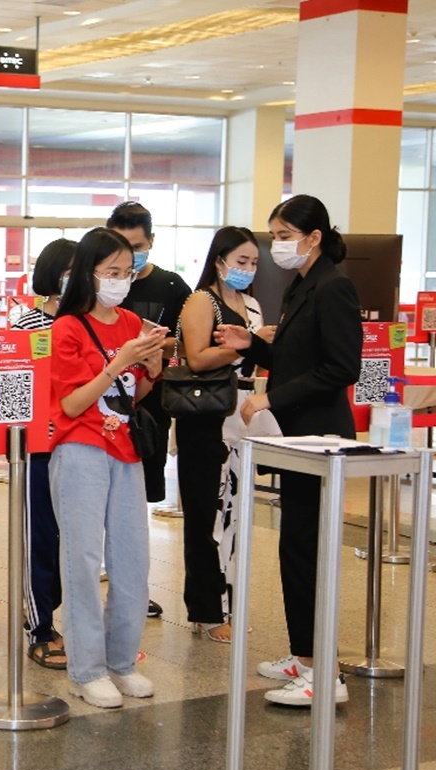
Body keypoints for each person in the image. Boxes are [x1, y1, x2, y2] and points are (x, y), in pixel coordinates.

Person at [216, 195, 361, 708]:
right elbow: (297, 356)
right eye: (274, 235)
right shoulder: (303, 283)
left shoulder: (334, 286)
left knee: (308, 552)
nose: (276, 246)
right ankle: (306, 654)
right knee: (295, 548)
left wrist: (271, 397)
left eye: (283, 236)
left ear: (313, 237)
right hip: (296, 440)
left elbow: (341, 367)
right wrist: (251, 344)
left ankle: (327, 673)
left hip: (320, 437)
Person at [49, 227, 164, 709]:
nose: (120, 280)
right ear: (88, 274)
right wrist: (118, 364)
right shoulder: (67, 327)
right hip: (81, 449)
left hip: (126, 450)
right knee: (81, 560)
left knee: (132, 559)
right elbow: (72, 403)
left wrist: (151, 367)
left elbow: (133, 396)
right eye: (110, 271)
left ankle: (122, 661)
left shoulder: (132, 321)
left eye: (126, 272)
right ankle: (87, 669)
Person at [174, 227, 266, 644]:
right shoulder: (201, 301)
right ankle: (206, 609)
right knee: (204, 515)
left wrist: (258, 347)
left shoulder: (252, 304)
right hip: (205, 415)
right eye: (241, 261)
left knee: (234, 514)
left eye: (254, 263)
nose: (248, 269)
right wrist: (249, 345)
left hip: (243, 415)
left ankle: (229, 602)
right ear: (220, 260)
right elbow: (196, 358)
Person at [107, 201, 189, 619]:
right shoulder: (99, 285)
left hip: (148, 408)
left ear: (151, 242)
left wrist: (151, 345)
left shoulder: (172, 287)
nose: (128, 257)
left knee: (137, 499)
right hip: (101, 409)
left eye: (136, 247)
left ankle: (132, 585)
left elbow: (191, 339)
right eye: (120, 246)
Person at [12, 238, 76, 670]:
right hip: (38, 448)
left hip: (81, 446)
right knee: (40, 537)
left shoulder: (87, 324)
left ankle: (65, 616)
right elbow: (15, 390)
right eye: (70, 270)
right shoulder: (28, 326)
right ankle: (40, 627)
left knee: (74, 540)